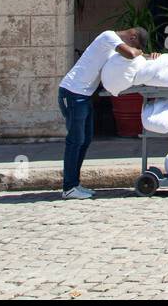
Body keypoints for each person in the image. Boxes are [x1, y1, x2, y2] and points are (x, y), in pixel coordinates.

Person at [58, 27, 148, 200]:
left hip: (83, 96)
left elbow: (131, 57)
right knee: (75, 141)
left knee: (85, 139)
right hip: (72, 92)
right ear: (132, 36)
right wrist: (137, 51)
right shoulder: (109, 36)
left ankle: (74, 185)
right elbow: (130, 54)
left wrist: (149, 56)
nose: (129, 46)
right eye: (135, 43)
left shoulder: (112, 47)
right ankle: (68, 187)